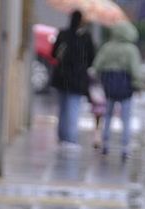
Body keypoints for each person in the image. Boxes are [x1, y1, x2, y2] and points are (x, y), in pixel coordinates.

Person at [93, 21, 145, 161]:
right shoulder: (131, 50)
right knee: (126, 118)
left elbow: (97, 65)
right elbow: (135, 70)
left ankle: (105, 144)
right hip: (126, 87)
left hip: (109, 86)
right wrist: (138, 86)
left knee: (107, 116)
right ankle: (125, 148)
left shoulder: (107, 47)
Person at [51, 12, 96, 146]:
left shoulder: (63, 34)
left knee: (63, 109)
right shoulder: (86, 38)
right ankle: (70, 139)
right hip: (77, 79)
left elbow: (53, 53)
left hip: (62, 77)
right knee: (73, 109)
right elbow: (91, 58)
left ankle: (62, 137)